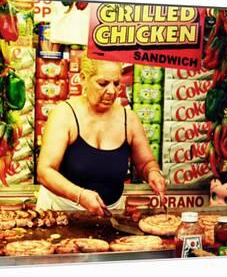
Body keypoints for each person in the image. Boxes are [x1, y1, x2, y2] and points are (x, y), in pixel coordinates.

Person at [36, 57, 166, 216]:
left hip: (109, 215)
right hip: (60, 211)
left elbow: (146, 163)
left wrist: (153, 173)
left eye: (116, 83)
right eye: (103, 83)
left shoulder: (129, 119)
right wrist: (80, 195)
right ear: (83, 79)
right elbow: (45, 171)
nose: (112, 91)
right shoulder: (64, 114)